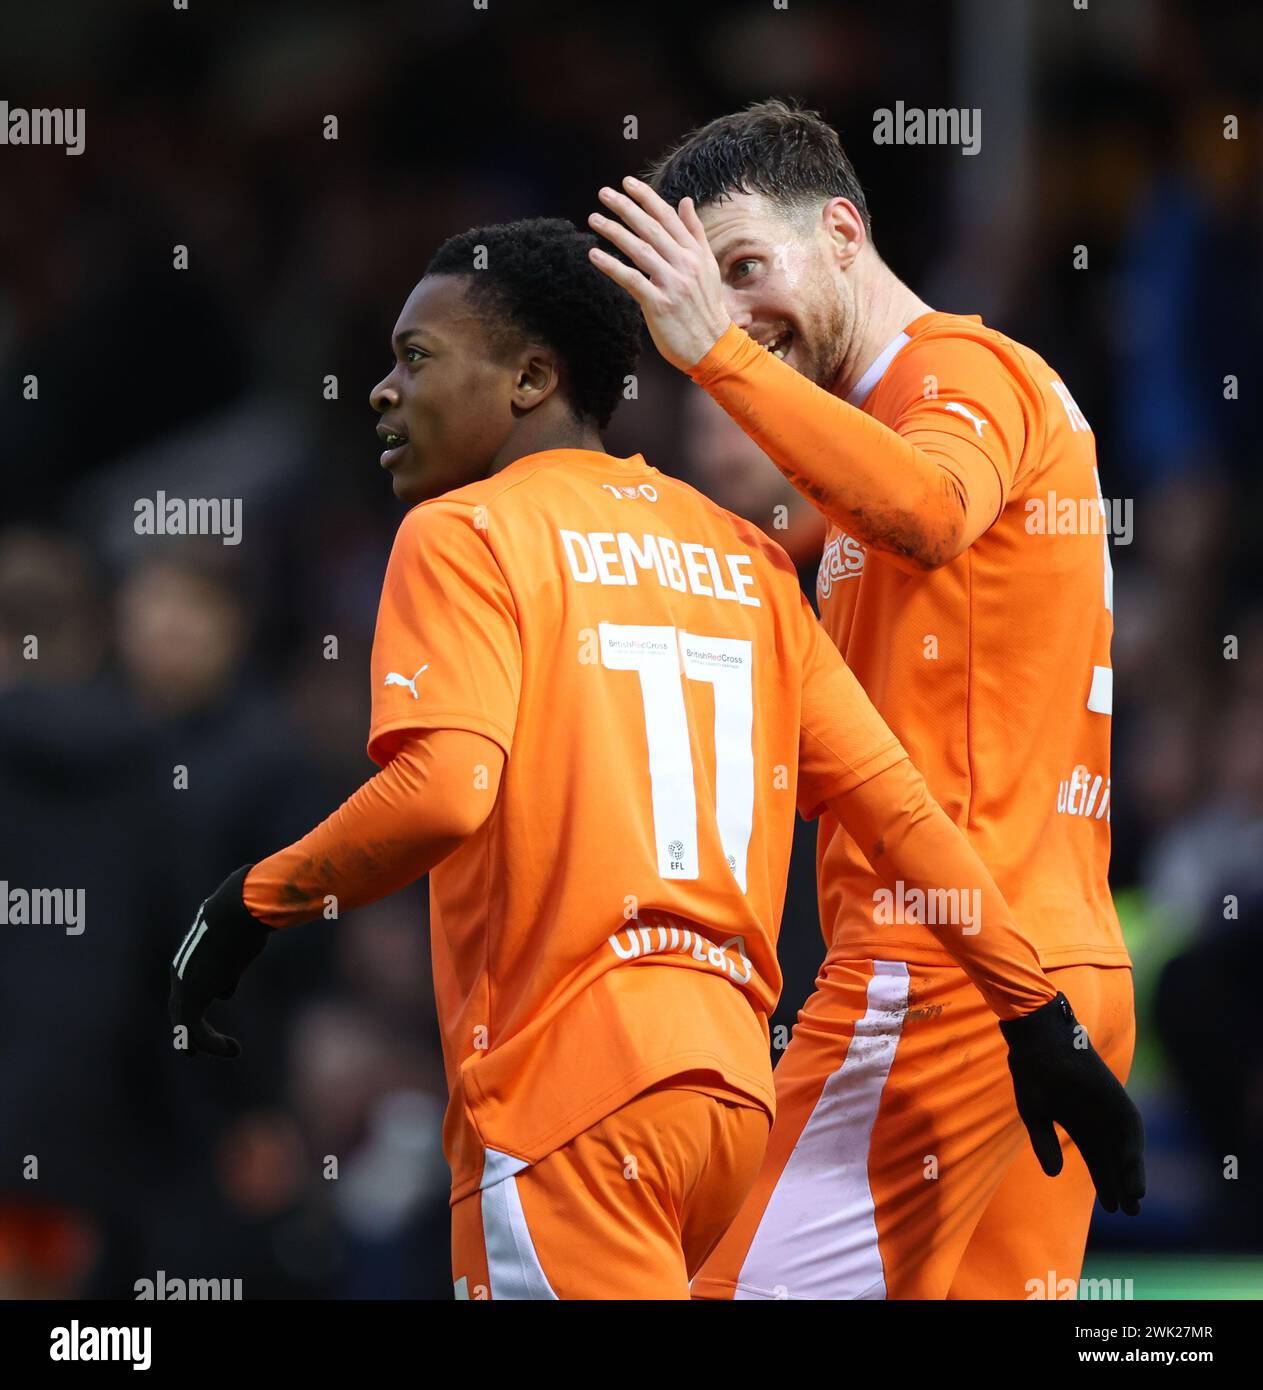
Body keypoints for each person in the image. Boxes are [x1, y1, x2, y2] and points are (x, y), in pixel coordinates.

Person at [169, 217, 1141, 1300]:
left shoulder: (465, 534)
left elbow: (443, 791)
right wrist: (1037, 1015)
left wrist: (252, 905)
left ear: (532, 378)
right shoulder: (750, 557)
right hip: (726, 1096)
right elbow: (902, 813)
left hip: (563, 1101)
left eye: (415, 357)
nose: (381, 390)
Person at [587, 97, 1141, 1300]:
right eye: (695, 295)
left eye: (742, 269)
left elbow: (932, 513)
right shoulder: (869, 451)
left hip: (935, 968)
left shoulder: (958, 373)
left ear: (842, 231)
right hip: (1050, 974)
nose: (724, 318)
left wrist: (717, 358)